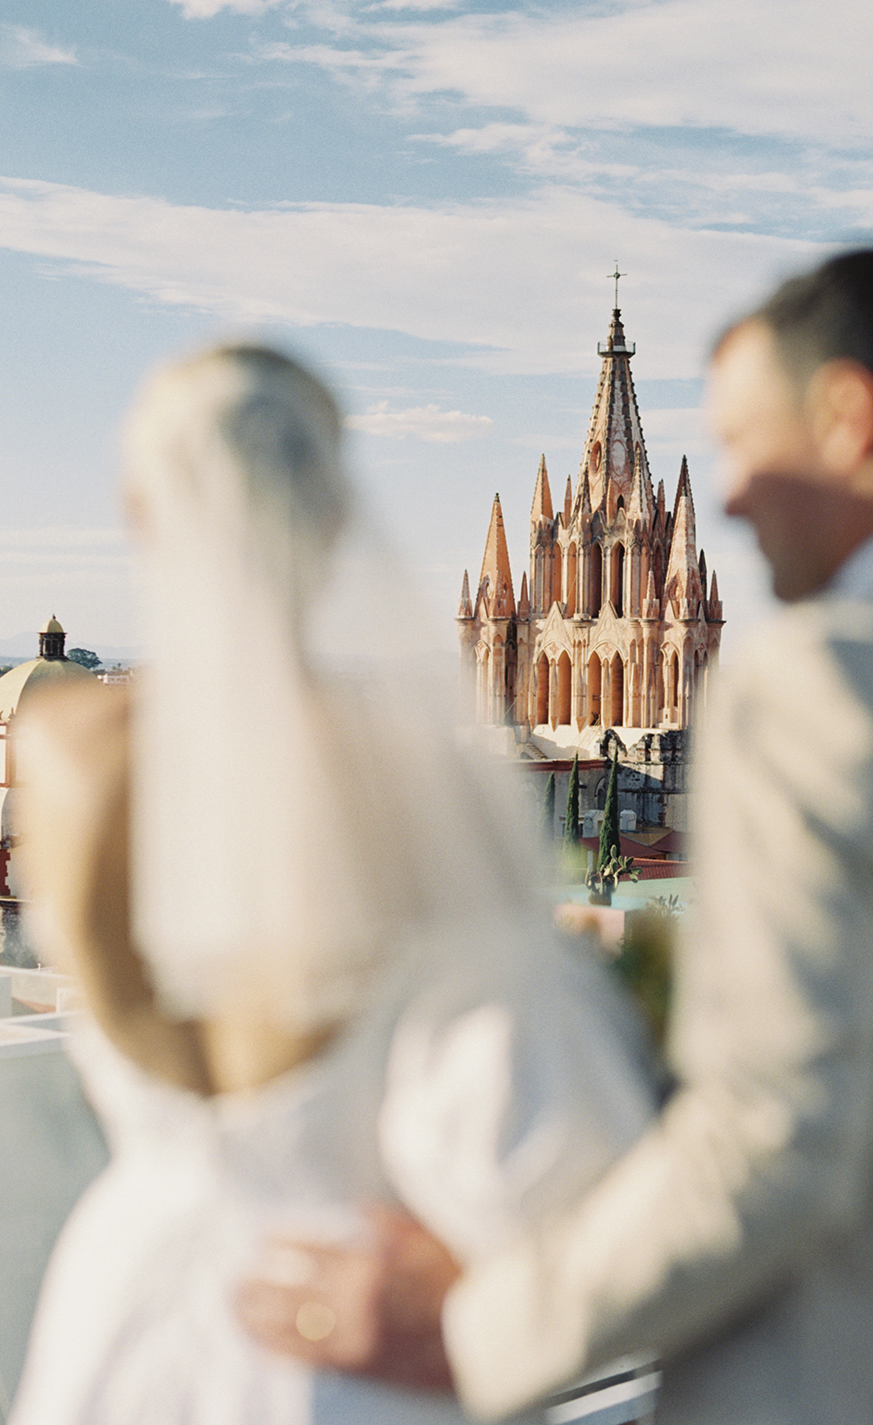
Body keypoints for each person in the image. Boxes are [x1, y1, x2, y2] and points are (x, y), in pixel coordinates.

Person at [242, 249, 873, 1424]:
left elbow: (774, 1135)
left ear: (849, 418)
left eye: (747, 448)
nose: (729, 504)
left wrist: (478, 1328)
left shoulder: (822, 688)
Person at [9, 344, 656, 1425]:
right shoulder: (409, 775)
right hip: (337, 1339)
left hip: (126, 1314)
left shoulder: (69, 747)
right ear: (335, 520)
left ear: (139, 511)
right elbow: (556, 1155)